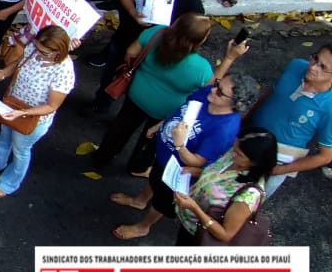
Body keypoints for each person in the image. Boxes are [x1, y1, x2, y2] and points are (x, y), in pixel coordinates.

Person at [110, 72, 258, 241]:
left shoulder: (224, 130)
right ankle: (140, 200)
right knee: (154, 178)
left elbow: (198, 161)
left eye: (219, 91)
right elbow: (183, 109)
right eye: (217, 83)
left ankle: (143, 227)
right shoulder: (209, 94)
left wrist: (179, 144)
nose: (213, 89)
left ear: (236, 104)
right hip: (164, 156)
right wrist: (161, 125)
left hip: (179, 170)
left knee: (163, 202)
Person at [92, 13, 241, 174]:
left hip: (136, 95)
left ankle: (101, 158)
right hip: (166, 110)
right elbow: (212, 86)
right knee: (150, 140)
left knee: (121, 127)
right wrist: (229, 58)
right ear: (199, 40)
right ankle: (137, 167)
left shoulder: (156, 33)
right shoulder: (200, 67)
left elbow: (131, 52)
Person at [87, 0, 205, 112]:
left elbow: (192, 32)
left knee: (137, 89)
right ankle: (100, 104)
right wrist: (133, 12)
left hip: (154, 52)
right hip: (125, 38)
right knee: (111, 75)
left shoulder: (192, 2)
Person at [0, 25, 75, 197]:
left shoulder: (64, 71)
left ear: (58, 51)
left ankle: (9, 183)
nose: (38, 54)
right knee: (4, 136)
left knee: (21, 150)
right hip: (12, 105)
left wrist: (22, 113)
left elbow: (51, 106)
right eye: (38, 48)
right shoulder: (34, 48)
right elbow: (18, 63)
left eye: (44, 53)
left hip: (33, 118)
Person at [173, 129, 277, 246]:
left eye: (239, 154)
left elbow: (225, 234)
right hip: (187, 219)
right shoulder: (234, 155)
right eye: (234, 148)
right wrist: (198, 172)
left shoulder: (249, 195)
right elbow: (218, 177)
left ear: (254, 162)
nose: (233, 154)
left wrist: (194, 208)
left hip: (199, 233)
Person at [249, 46, 332, 192]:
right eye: (315, 58)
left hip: (278, 160)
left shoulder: (329, 107)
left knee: (249, 200)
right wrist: (245, 119)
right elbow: (271, 95)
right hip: (249, 138)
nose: (313, 67)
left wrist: (280, 170)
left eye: (323, 67)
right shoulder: (295, 66)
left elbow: (325, 156)